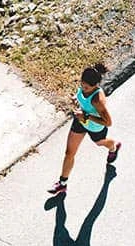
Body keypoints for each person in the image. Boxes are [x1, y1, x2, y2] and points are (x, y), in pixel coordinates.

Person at [48, 63, 121, 195]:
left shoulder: (98, 100)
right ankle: (62, 183)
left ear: (96, 86)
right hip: (80, 121)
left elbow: (108, 122)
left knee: (100, 143)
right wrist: (77, 99)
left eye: (87, 87)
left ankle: (113, 147)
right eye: (82, 84)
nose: (83, 88)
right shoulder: (84, 86)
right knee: (69, 152)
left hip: (95, 127)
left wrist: (87, 116)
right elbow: (81, 96)